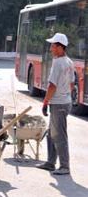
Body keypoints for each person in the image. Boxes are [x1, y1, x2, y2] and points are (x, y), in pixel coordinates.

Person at [36, 33, 75, 175]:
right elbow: (71, 84)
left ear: (60, 47)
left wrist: (46, 102)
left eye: (53, 45)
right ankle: (50, 162)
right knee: (51, 134)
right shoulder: (69, 62)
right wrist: (64, 95)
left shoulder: (58, 63)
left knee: (60, 136)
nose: (51, 48)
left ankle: (64, 167)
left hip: (58, 104)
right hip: (65, 102)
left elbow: (52, 86)